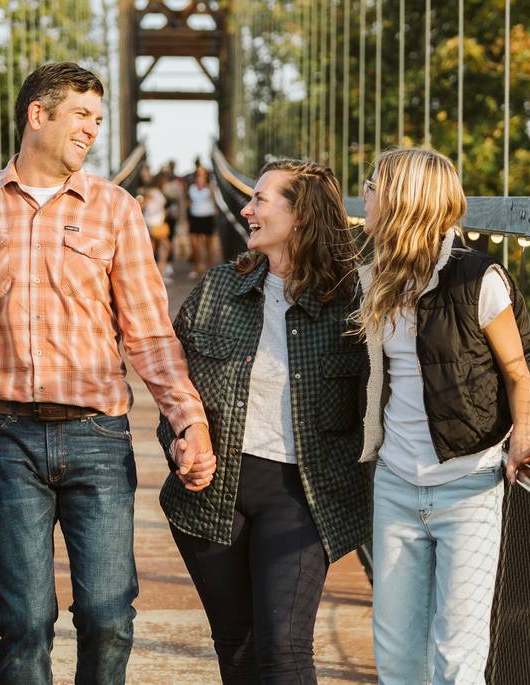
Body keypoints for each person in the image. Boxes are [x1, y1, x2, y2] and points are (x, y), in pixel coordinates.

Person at [0, 61, 215, 684]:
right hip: (3, 436)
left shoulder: (115, 209)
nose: (93, 129)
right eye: (82, 115)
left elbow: (147, 329)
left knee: (109, 615)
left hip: (98, 434)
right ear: (39, 114)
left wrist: (186, 418)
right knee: (25, 620)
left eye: (97, 117)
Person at [159, 159, 372, 684]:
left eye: (260, 199)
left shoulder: (355, 303)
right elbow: (173, 389)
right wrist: (179, 440)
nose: (246, 209)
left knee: (283, 650)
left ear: (301, 216)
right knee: (236, 649)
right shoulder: (216, 290)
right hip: (214, 491)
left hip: (302, 491)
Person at [357, 147, 530, 684]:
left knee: (456, 659)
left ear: (403, 200)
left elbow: (519, 371)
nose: (365, 195)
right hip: (395, 485)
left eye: (373, 185)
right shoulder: (374, 275)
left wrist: (524, 438)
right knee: (397, 658)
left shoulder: (477, 279)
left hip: (467, 487)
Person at [186, 166, 219, 276]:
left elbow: (215, 201)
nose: (200, 176)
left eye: (202, 174)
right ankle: (197, 267)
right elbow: (189, 202)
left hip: (207, 216)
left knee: (208, 244)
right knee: (194, 243)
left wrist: (210, 189)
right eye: (198, 174)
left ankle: (209, 268)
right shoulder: (191, 188)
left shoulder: (210, 187)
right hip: (195, 217)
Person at [142, 183, 173, 278]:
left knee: (152, 248)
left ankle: (153, 272)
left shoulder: (152, 194)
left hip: (152, 224)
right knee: (165, 247)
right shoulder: (154, 193)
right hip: (155, 225)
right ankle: (159, 271)